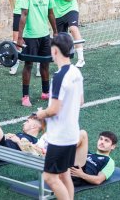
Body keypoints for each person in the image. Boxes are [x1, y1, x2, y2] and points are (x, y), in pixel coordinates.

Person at [36, 32, 84, 200]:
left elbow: (54, 109)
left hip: (59, 137)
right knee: (64, 174)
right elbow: (80, 101)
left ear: (55, 51)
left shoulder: (59, 76)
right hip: (72, 134)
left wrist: (41, 113)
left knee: (49, 177)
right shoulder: (76, 72)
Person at [18, 0, 58, 107]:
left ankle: (45, 92)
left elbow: (51, 13)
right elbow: (23, 15)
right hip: (30, 36)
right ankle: (25, 96)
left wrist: (56, 32)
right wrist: (19, 37)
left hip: (45, 35)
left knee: (45, 63)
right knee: (28, 64)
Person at [7, 0, 38, 75]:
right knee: (16, 38)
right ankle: (14, 63)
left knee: (36, 38)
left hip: (33, 11)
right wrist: (13, 6)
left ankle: (39, 66)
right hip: (19, 10)